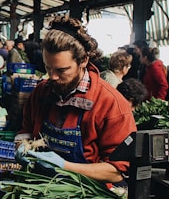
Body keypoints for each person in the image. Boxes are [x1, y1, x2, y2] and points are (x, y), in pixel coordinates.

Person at [15, 16, 137, 183]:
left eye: (62, 70)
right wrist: (21, 145)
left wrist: (65, 167)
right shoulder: (41, 92)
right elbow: (26, 130)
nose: (53, 77)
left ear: (83, 61)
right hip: (42, 187)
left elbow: (117, 170)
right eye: (48, 68)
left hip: (86, 198)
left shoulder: (111, 104)